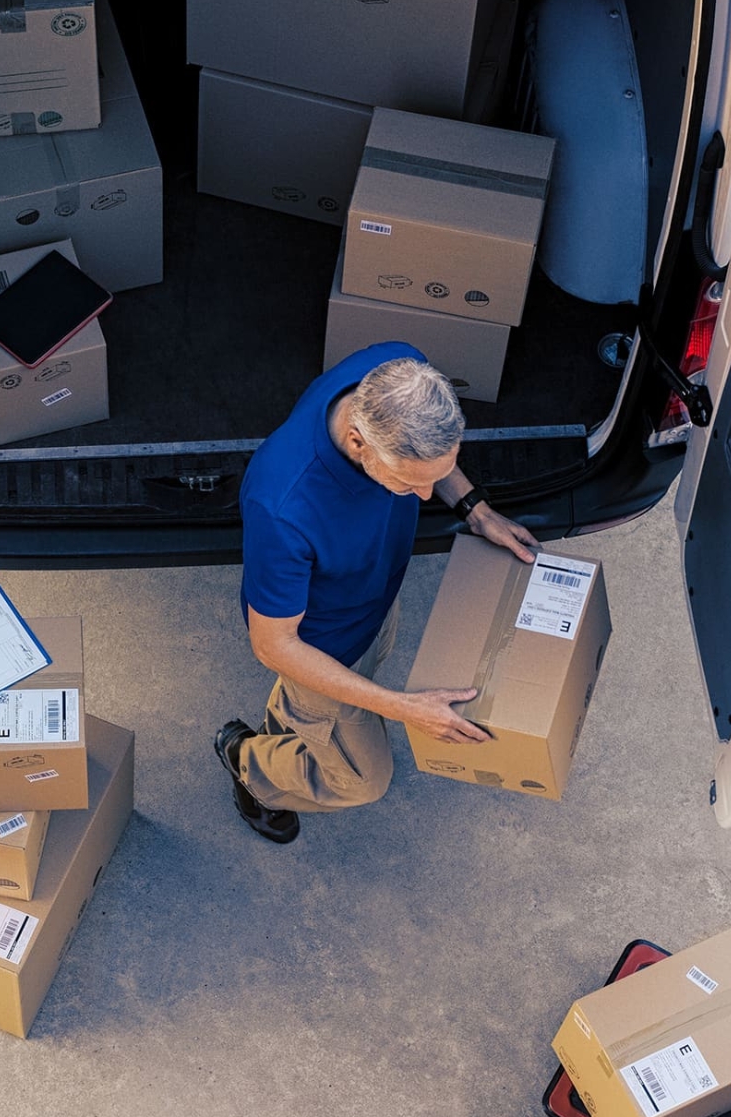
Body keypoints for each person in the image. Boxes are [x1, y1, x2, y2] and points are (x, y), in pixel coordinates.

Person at [215, 343, 541, 843]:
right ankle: (250, 766)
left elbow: (431, 465)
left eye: (436, 477)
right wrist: (401, 707)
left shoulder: (398, 372)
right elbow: (273, 645)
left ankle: (291, 721)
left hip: (375, 601)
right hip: (322, 646)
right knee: (363, 780)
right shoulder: (283, 507)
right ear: (358, 442)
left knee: (322, 707)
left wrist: (476, 510)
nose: (429, 496)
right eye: (409, 482)